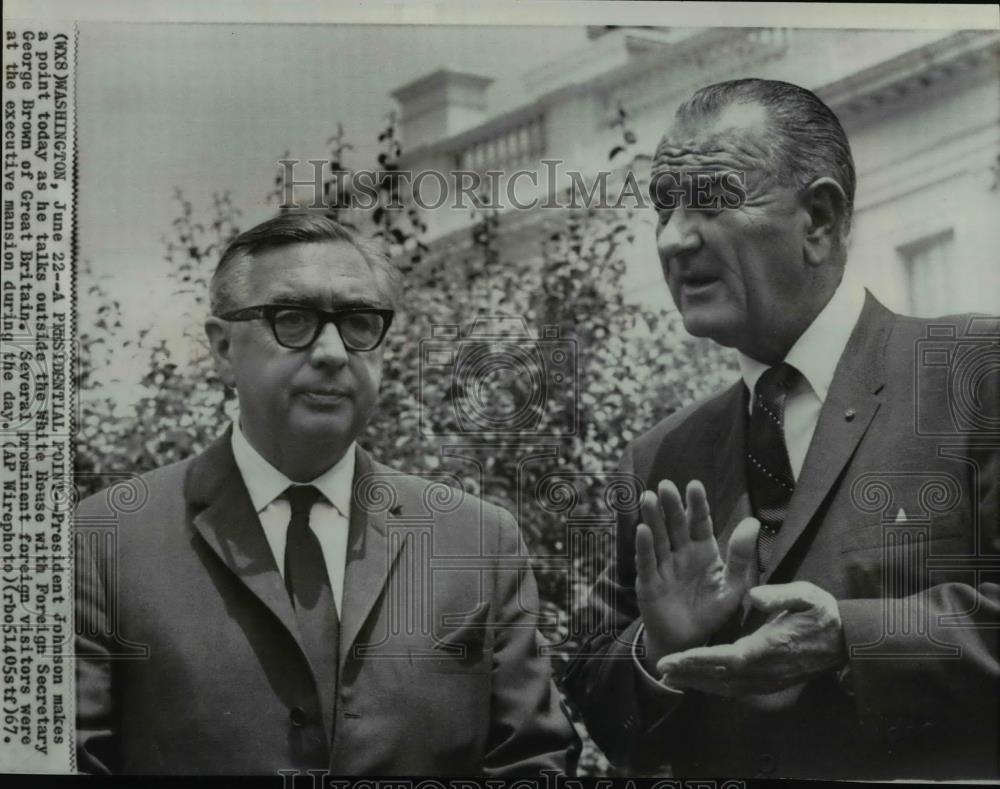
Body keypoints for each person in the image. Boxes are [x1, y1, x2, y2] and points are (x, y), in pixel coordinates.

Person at [564, 79, 999, 780]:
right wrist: (659, 649)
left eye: (710, 199)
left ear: (819, 218)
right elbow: (599, 697)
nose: (674, 239)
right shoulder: (660, 457)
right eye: (663, 207)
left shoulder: (974, 374)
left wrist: (848, 638)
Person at [75, 212, 578, 776]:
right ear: (221, 349)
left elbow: (534, 762)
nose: (334, 352)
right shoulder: (105, 541)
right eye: (293, 319)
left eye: (360, 322)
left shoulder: (478, 540)